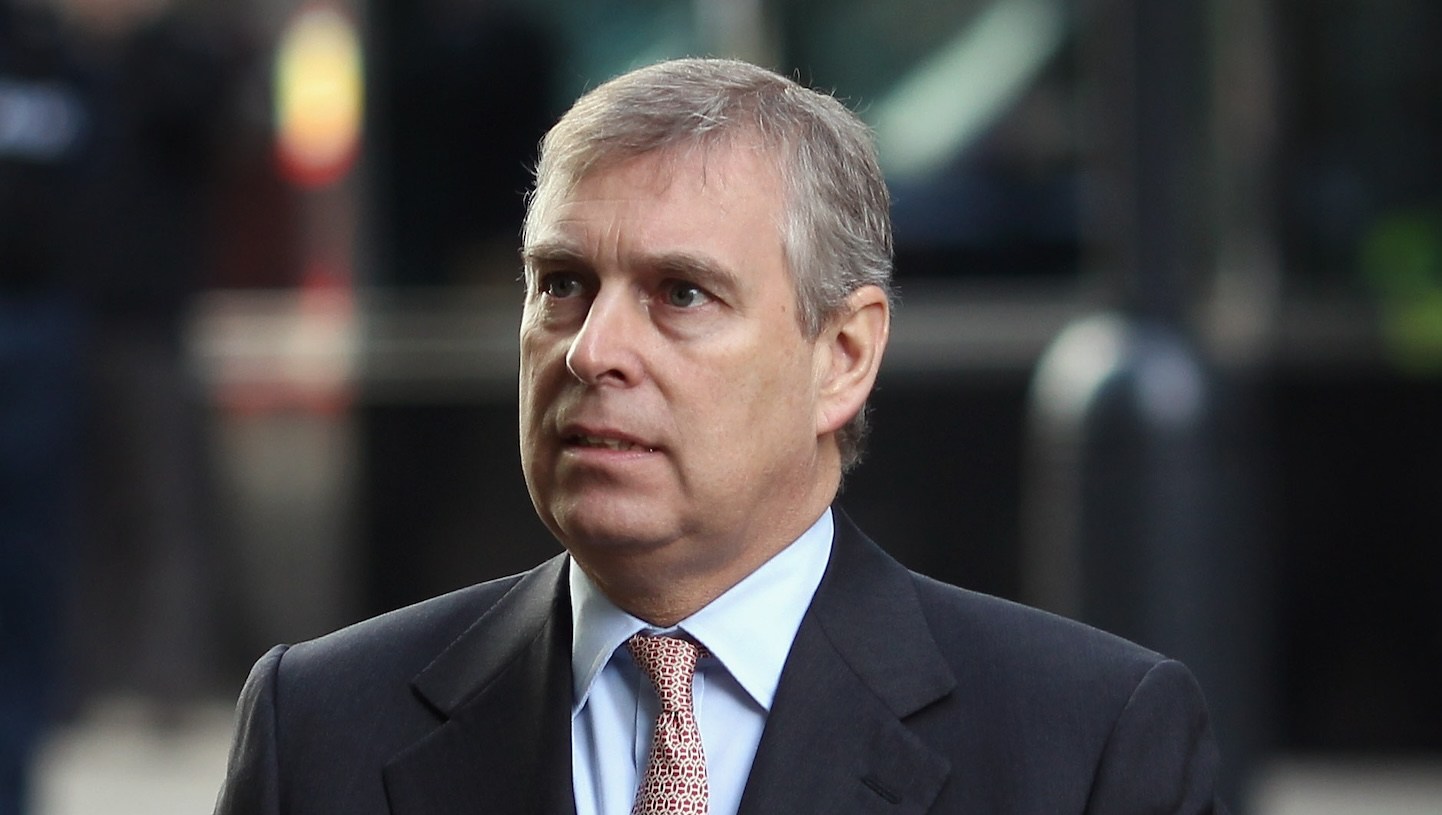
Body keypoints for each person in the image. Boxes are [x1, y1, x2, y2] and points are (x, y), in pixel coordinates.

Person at [213, 57, 1226, 815]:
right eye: (562, 284)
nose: (593, 350)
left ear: (842, 356)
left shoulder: (1087, 743)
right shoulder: (321, 725)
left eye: (680, 293)